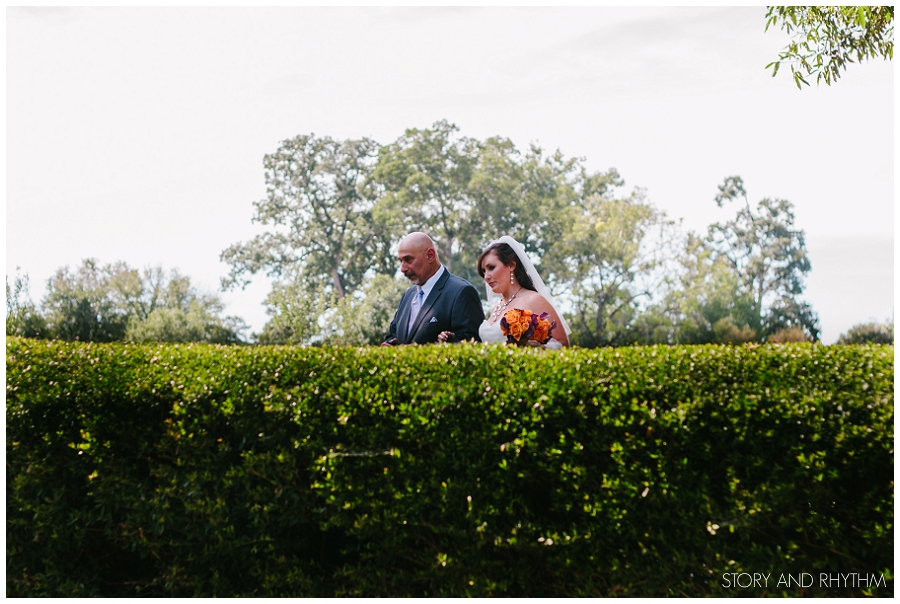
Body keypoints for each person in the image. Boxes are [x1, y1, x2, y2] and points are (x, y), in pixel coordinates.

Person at [438, 236, 571, 348]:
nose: (486, 276)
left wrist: (529, 346)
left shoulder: (533, 299)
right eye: (484, 271)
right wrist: (455, 339)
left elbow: (562, 344)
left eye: (491, 268)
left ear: (511, 265)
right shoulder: (496, 308)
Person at [382, 232, 485, 345]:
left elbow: (471, 344)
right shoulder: (407, 296)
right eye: (400, 261)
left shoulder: (462, 292)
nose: (402, 268)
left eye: (408, 259)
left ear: (430, 255)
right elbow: (393, 336)